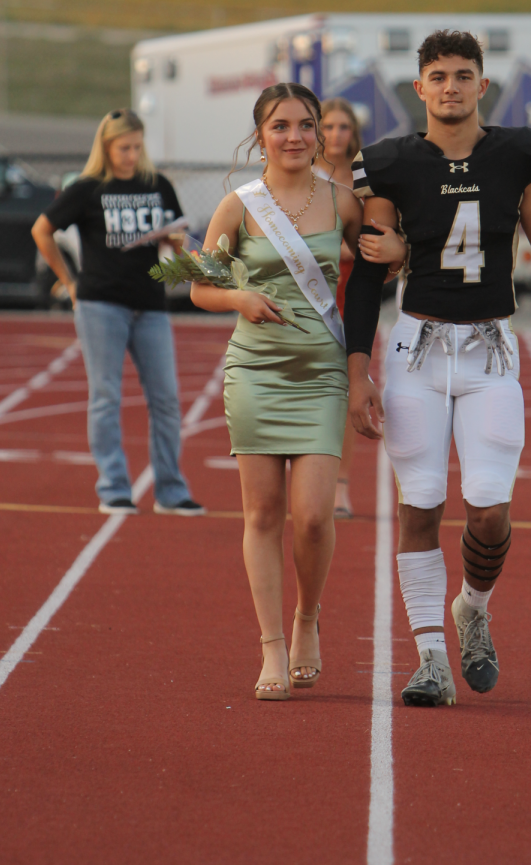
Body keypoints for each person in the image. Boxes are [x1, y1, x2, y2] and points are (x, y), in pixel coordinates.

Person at [344, 29, 531, 708]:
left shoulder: (518, 157)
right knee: (419, 506)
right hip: (416, 351)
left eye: (463, 75)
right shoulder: (388, 164)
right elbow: (367, 275)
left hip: (490, 350)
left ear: (482, 84)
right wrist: (359, 372)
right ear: (420, 88)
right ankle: (429, 662)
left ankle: (473, 606)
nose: (451, 86)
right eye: (438, 76)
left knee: (489, 512)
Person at [190, 83, 404, 701]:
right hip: (254, 374)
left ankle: (308, 617)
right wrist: (238, 296)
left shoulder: (343, 201)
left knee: (311, 517)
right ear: (260, 134)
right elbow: (202, 288)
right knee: (261, 515)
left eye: (306, 125)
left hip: (320, 375)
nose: (295, 136)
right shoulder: (237, 205)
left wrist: (401, 250)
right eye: (280, 125)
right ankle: (272, 648)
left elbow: (381, 262)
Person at [31, 108, 204, 517]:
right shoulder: (89, 188)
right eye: (123, 148)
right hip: (100, 304)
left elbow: (177, 238)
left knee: (165, 398)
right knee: (106, 396)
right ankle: (113, 487)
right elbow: (42, 229)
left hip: (151, 304)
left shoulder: (158, 185)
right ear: (106, 147)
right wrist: (69, 282)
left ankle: (171, 490)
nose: (131, 155)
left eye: (137, 147)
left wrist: (184, 254)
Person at [320, 98, 365, 519]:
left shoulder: (365, 177)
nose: (336, 135)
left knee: (346, 392)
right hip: (306, 292)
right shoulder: (301, 172)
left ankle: (341, 485)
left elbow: (370, 240)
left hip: (350, 291)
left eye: (343, 127)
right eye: (329, 126)